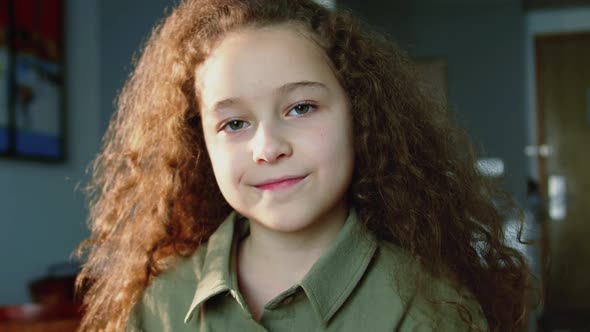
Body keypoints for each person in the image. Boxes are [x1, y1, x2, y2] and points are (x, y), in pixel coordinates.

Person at [75, 0, 532, 331]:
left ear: (360, 115)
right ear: (201, 145)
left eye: (301, 108)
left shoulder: (431, 308)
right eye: (234, 122)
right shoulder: (159, 304)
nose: (268, 147)